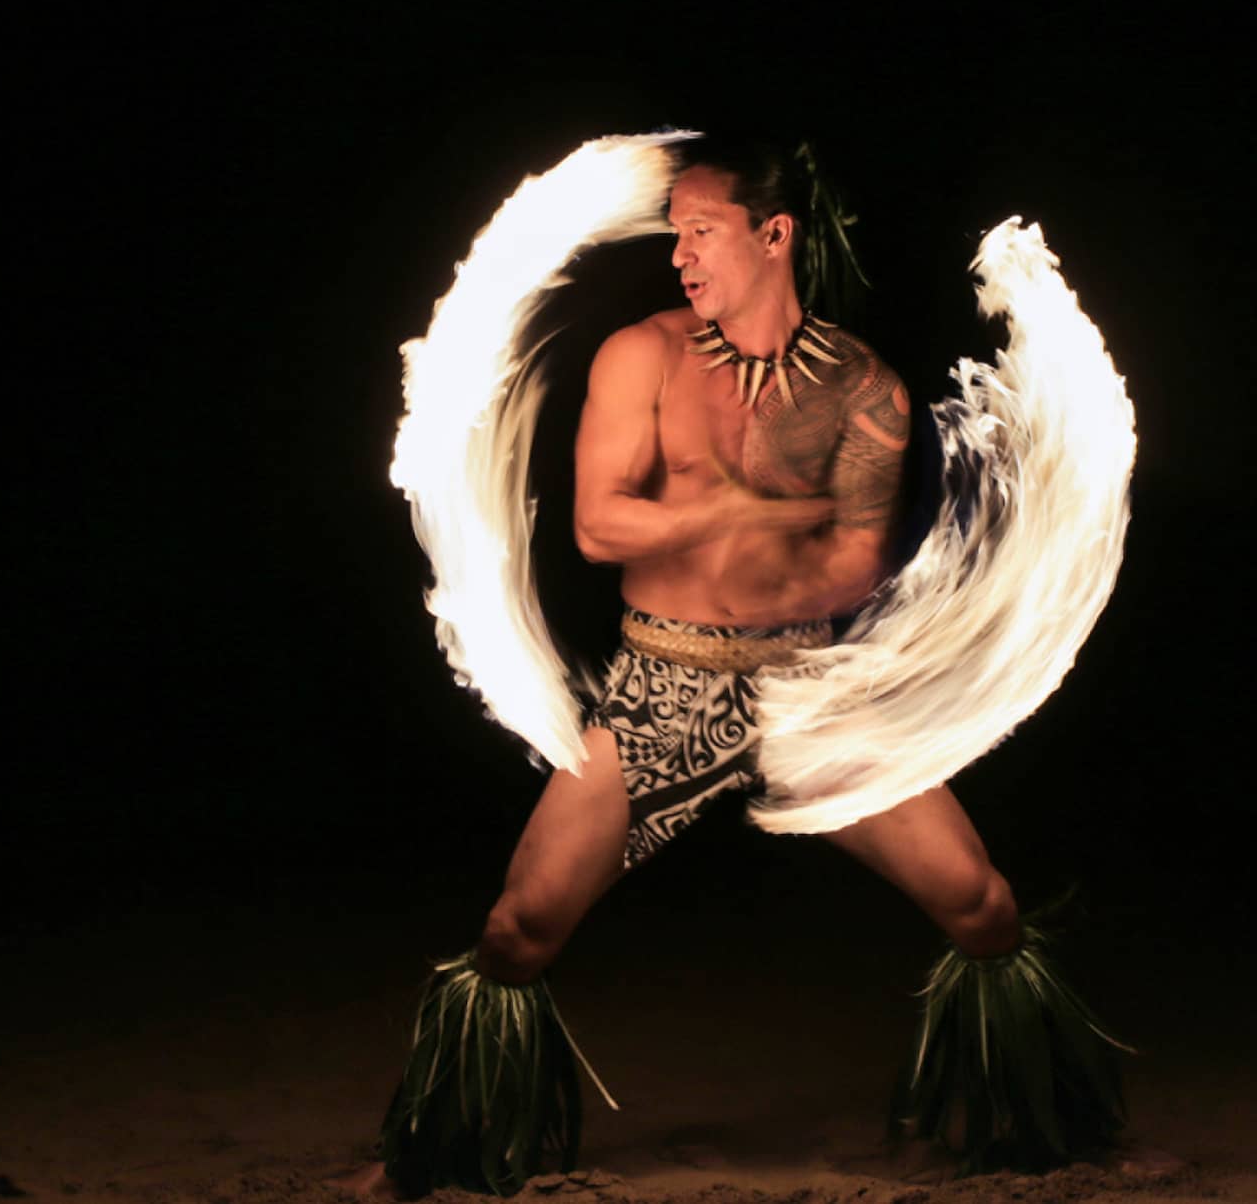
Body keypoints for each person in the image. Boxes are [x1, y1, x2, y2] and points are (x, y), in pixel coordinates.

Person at [359, 137, 1124, 1197]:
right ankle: (443, 1152)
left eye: (700, 230)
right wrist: (736, 511)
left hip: (811, 691)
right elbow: (595, 527)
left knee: (981, 905)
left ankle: (1045, 1132)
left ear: (775, 236)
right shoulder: (642, 358)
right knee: (518, 928)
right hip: (661, 687)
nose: (679, 254)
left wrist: (749, 544)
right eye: (674, 232)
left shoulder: (866, 390)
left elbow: (851, 569)